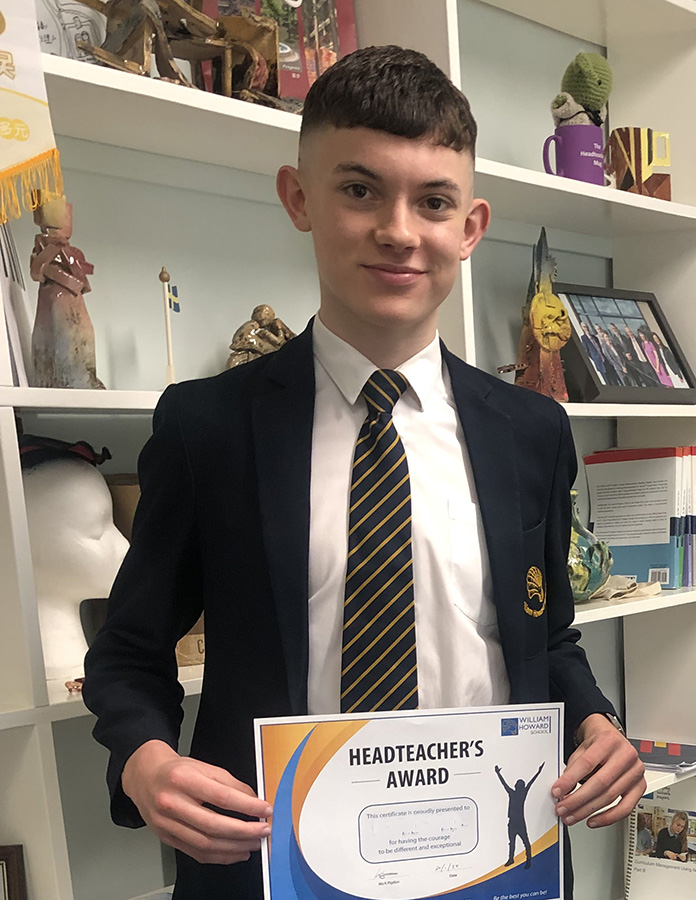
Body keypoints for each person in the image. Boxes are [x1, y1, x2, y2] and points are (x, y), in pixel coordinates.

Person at [82, 45, 644, 900]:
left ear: (471, 226)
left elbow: (545, 635)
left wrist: (597, 720)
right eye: (359, 190)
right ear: (298, 197)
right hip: (275, 865)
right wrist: (144, 761)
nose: (398, 230)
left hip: (490, 861)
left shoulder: (532, 431)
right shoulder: (210, 429)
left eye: (434, 201)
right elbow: (128, 652)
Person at [496, 762, 544, 869]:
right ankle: (512, 859)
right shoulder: (517, 793)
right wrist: (538, 771)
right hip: (514, 821)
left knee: (523, 842)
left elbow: (504, 784)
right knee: (515, 842)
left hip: (517, 821)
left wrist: (539, 772)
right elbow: (530, 782)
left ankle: (528, 860)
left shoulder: (516, 793)